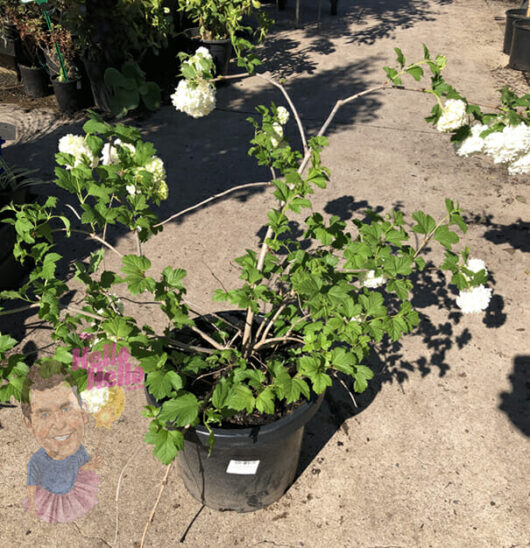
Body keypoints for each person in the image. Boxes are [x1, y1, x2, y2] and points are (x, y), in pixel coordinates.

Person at [21, 360, 101, 523]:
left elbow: (80, 466)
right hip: (49, 496)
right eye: (44, 414)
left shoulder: (78, 451)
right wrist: (32, 505)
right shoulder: (36, 461)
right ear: (29, 425)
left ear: (84, 412)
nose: (59, 424)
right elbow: (31, 485)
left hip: (72, 491)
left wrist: (90, 466)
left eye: (66, 409)